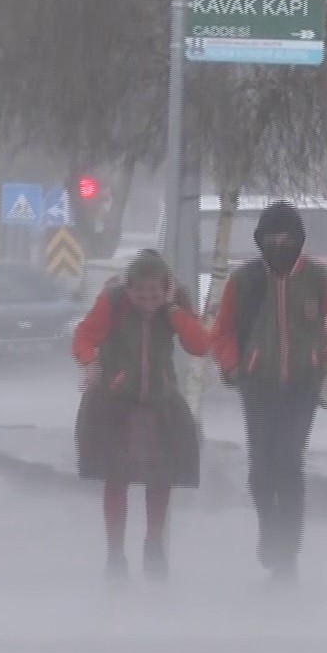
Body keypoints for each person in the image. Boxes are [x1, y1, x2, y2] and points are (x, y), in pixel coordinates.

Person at [211, 201, 327, 583]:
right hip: (257, 386)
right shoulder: (244, 281)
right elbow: (223, 330)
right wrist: (232, 366)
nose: (279, 245)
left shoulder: (318, 280)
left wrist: (324, 365)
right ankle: (269, 528)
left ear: (299, 240)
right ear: (260, 240)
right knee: (260, 470)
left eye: (287, 239)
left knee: (287, 464)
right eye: (271, 238)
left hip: (300, 388)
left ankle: (288, 552)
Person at [72, 249, 210, 583]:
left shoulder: (174, 306)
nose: (148, 303)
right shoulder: (114, 302)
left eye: (155, 296)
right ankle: (115, 554)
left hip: (159, 403)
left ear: (165, 289)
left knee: (160, 479)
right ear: (129, 290)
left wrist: (174, 309)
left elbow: (199, 344)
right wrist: (91, 363)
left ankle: (154, 544)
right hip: (115, 404)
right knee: (115, 479)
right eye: (140, 295)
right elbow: (84, 336)